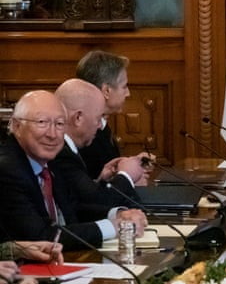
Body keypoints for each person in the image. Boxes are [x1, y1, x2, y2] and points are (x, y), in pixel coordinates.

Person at [0, 90, 145, 251]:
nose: (52, 134)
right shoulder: (7, 169)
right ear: (17, 126)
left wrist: (116, 215)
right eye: (42, 122)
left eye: (60, 124)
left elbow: (72, 210)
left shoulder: (49, 159)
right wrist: (112, 228)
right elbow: (41, 237)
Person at [49, 78, 149, 212]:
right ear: (78, 118)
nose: (100, 125)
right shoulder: (61, 152)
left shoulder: (68, 148)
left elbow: (79, 199)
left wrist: (100, 181)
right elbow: (98, 200)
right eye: (98, 118)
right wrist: (126, 175)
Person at [76, 50, 154, 181]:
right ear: (106, 90)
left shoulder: (103, 126)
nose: (128, 93)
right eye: (124, 87)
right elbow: (94, 187)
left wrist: (133, 166)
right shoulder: (86, 134)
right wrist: (129, 181)